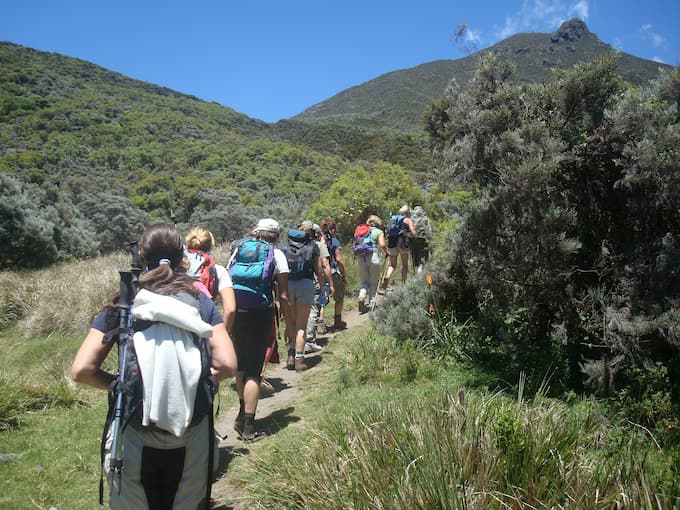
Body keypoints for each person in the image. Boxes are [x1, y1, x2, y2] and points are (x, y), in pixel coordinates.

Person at [71, 223, 237, 510]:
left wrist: (120, 385)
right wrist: (193, 382)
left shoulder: (123, 303)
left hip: (134, 431)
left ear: (140, 256)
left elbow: (82, 369)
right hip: (191, 432)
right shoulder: (200, 302)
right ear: (181, 256)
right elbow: (227, 365)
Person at [228, 218, 289, 441]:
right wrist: (288, 322)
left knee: (241, 367)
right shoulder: (277, 254)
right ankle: (248, 428)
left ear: (256, 233)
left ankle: (241, 413)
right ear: (275, 235)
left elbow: (226, 278)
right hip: (260, 314)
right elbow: (283, 294)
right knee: (254, 370)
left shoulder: (239, 248)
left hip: (237, 312)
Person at [284, 222, 324, 372]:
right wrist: (321, 287)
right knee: (302, 325)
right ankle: (299, 360)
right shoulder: (312, 246)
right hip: (306, 284)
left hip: (288, 285)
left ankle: (290, 354)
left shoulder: (285, 246)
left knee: (291, 323)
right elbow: (318, 270)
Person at [185, 227, 236, 331]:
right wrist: (223, 335)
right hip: (205, 326)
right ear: (210, 246)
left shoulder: (177, 266)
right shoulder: (219, 271)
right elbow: (230, 309)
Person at [305, 223, 333, 352]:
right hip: (313, 281)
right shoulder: (319, 245)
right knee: (312, 309)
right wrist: (328, 285)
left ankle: (295, 343)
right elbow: (324, 266)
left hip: (294, 281)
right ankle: (309, 340)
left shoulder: (292, 245)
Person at [356, 215, 387, 312]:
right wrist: (387, 252)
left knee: (364, 282)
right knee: (374, 282)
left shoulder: (361, 231)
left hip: (361, 257)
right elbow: (382, 244)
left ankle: (361, 296)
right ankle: (372, 303)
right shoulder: (379, 232)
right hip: (373, 256)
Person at [320, 219, 347, 330]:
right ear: (333, 230)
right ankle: (337, 320)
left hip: (320, 272)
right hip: (333, 271)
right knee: (339, 297)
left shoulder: (318, 241)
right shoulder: (334, 241)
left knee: (322, 298)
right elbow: (339, 259)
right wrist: (344, 273)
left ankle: (320, 323)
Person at [382, 205, 417, 289]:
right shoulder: (407, 220)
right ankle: (403, 284)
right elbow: (413, 233)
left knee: (393, 264)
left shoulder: (393, 219)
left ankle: (387, 276)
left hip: (392, 242)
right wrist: (414, 237)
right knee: (405, 265)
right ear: (408, 213)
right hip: (403, 243)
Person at [409, 205, 433, 274]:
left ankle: (415, 273)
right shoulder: (425, 218)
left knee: (414, 256)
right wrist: (430, 240)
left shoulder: (412, 218)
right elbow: (429, 230)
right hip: (423, 240)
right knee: (422, 257)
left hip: (412, 240)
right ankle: (420, 272)